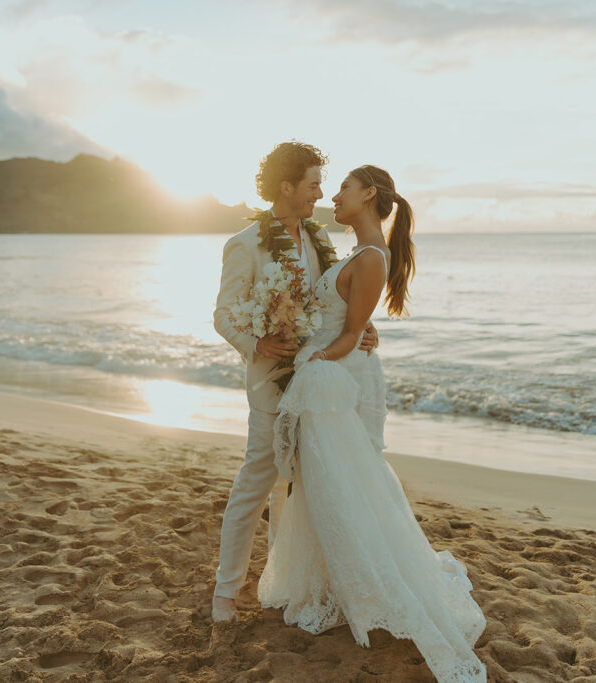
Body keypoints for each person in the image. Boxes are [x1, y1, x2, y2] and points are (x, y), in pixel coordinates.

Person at [258, 165, 487, 682]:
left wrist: (313, 363)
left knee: (340, 482)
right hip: (331, 376)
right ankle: (338, 582)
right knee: (332, 482)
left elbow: (348, 334)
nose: (334, 196)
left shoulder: (371, 256)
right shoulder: (362, 255)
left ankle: (371, 585)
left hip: (329, 382)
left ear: (369, 195)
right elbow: (349, 321)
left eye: (342, 188)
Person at [211, 142, 378, 623]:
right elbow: (223, 316)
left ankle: (291, 583)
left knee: (303, 489)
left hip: (318, 383)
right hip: (271, 385)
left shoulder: (319, 239)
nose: (320, 194)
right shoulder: (243, 245)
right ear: (286, 187)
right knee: (255, 485)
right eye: (312, 184)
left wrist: (362, 326)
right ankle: (226, 592)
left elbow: (336, 302)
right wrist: (257, 345)